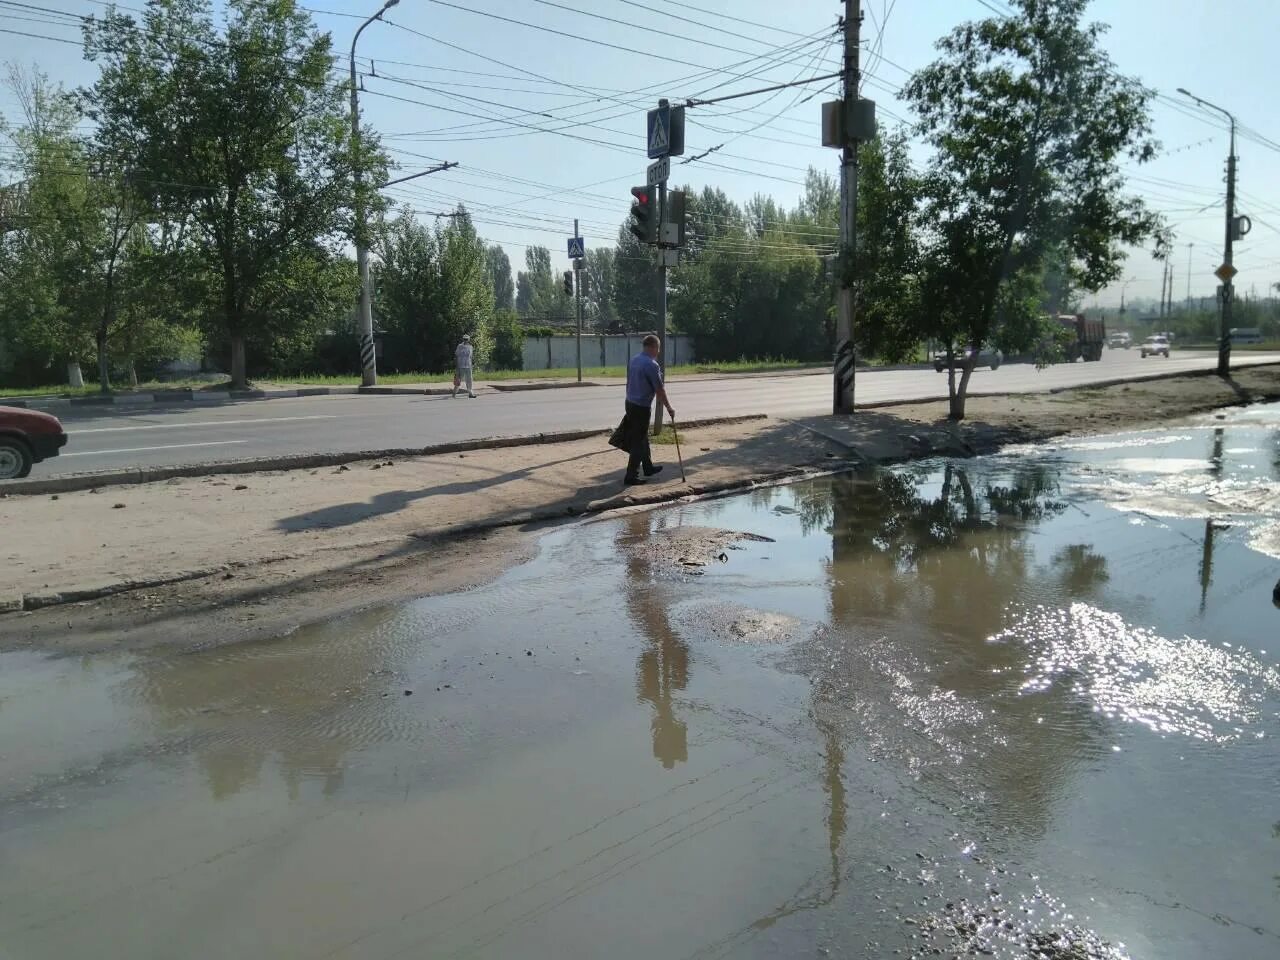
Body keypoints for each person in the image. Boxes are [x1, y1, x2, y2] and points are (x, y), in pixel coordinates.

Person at [611, 334, 674, 486]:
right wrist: (669, 408)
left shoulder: (634, 360)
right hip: (641, 407)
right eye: (657, 349)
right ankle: (631, 476)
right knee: (638, 442)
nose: (658, 352)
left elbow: (628, 382)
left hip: (630, 403)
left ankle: (648, 467)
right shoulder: (652, 365)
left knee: (642, 436)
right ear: (652, 347)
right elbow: (659, 390)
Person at [453, 334, 475, 399]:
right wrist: (457, 366)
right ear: (463, 339)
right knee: (458, 380)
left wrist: (471, 365)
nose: (466, 340)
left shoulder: (470, 347)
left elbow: (470, 357)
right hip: (461, 366)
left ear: (469, 340)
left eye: (467, 339)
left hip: (468, 366)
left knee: (469, 380)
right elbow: (456, 356)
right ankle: (454, 392)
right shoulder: (459, 346)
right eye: (464, 339)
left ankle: (470, 393)